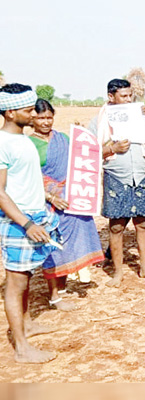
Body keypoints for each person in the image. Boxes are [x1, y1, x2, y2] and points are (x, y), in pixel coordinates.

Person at [0, 83, 59, 363]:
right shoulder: (2, 143)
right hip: (18, 222)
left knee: (26, 276)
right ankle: (22, 349)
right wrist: (26, 224)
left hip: (32, 217)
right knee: (16, 283)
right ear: (10, 113)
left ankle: (28, 325)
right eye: (27, 110)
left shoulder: (23, 140)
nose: (34, 115)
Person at [29, 99, 104, 310]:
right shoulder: (29, 144)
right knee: (53, 247)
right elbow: (29, 177)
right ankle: (53, 296)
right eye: (41, 118)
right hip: (46, 203)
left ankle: (61, 289)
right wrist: (50, 196)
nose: (45, 122)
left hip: (71, 199)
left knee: (69, 244)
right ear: (32, 118)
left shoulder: (62, 139)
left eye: (49, 117)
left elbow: (83, 160)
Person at [88, 78, 145, 287]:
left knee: (143, 223)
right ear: (111, 97)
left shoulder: (141, 117)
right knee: (116, 226)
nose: (128, 99)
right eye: (123, 96)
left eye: (130, 95)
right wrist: (111, 149)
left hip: (140, 174)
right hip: (116, 176)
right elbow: (89, 152)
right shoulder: (99, 122)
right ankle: (118, 272)